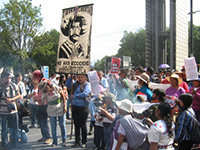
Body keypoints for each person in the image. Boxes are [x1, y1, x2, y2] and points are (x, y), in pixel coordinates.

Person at [39, 80, 67, 147]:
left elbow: (63, 96)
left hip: (60, 107)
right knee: (53, 126)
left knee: (62, 124)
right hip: (51, 110)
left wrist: (65, 106)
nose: (46, 89)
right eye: (45, 88)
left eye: (46, 87)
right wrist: (44, 97)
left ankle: (64, 139)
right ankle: (55, 141)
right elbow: (42, 103)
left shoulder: (56, 88)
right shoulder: (45, 93)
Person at [66, 74, 91, 148]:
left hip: (83, 107)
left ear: (85, 78)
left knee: (83, 125)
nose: (80, 79)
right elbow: (67, 84)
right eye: (79, 77)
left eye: (82, 77)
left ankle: (84, 141)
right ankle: (77, 141)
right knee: (76, 125)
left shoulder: (87, 84)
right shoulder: (75, 83)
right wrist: (71, 77)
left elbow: (85, 93)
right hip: (75, 107)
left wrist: (75, 96)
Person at [0, 71, 22, 148]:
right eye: (6, 78)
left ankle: (15, 143)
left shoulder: (13, 85)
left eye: (9, 78)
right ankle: (4, 144)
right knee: (4, 129)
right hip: (3, 111)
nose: (8, 80)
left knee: (15, 128)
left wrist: (12, 99)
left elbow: (19, 95)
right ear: (2, 78)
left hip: (13, 111)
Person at [32, 70, 51, 144]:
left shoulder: (44, 81)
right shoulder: (40, 81)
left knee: (44, 121)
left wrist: (37, 97)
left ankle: (48, 137)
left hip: (44, 103)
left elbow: (45, 92)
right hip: (40, 104)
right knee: (41, 122)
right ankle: (44, 136)